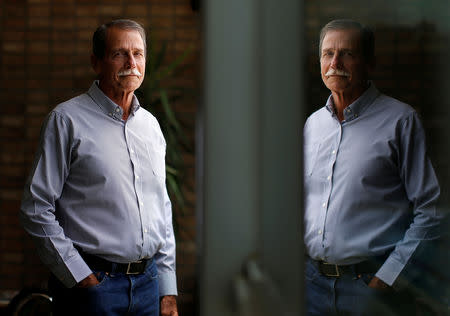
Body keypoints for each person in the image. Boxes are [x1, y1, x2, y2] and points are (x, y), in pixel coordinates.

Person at [20, 19, 178, 316]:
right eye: (120, 53)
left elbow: (162, 211)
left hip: (149, 287)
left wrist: (167, 290)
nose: (132, 62)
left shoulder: (151, 127)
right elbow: (36, 207)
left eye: (138, 53)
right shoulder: (66, 120)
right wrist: (81, 277)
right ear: (96, 61)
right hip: (94, 290)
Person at [303, 19, 442, 315]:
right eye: (328, 54)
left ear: (369, 63)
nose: (335, 62)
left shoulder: (401, 121)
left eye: (347, 54)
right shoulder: (313, 125)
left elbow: (430, 211)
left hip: (368, 288)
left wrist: (387, 278)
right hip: (310, 286)